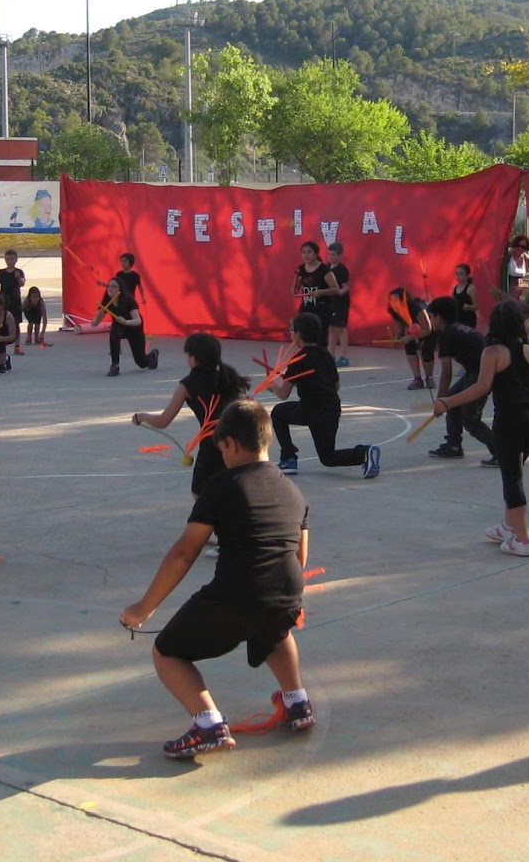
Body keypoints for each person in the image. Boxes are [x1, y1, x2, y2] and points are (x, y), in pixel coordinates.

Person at [119, 399, 316, 759]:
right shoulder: (292, 490)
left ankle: (207, 723)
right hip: (288, 593)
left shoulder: (223, 485)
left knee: (167, 652)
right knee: (274, 628)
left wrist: (144, 607)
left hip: (236, 595)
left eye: (221, 449)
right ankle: (297, 702)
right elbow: (300, 557)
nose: (222, 456)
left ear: (231, 444)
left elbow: (185, 552)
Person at [434, 299, 529, 557]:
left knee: (512, 479)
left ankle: (521, 539)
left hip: (510, 421)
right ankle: (508, 526)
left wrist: (447, 401)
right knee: (514, 470)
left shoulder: (492, 353)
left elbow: (481, 388)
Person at [133, 332, 251, 496]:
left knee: (200, 493)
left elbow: (163, 421)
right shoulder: (228, 377)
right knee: (234, 490)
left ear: (193, 359)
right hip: (240, 441)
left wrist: (141, 417)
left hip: (213, 443)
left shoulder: (187, 385)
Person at [269, 312, 379, 479]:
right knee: (328, 457)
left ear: (299, 333)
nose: (290, 333)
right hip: (332, 409)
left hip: (311, 410)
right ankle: (364, 453)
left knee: (278, 413)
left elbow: (284, 394)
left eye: (291, 330)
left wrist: (272, 386)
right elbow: (336, 385)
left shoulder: (298, 358)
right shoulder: (325, 354)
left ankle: (288, 458)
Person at [424, 296, 494, 461]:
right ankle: (453, 445)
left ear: (440, 318)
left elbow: (446, 373)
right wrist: (446, 401)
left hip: (480, 375)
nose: (430, 320)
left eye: (431, 316)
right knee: (452, 401)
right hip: (476, 372)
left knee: (470, 420)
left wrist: (440, 401)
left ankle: (502, 452)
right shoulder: (458, 328)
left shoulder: (446, 335)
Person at [102, 277, 157, 377]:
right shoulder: (107, 300)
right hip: (120, 327)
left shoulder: (128, 300)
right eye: (109, 286)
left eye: (114, 286)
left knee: (141, 362)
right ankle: (115, 365)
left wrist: (125, 322)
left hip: (134, 328)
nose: (110, 288)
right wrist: (96, 319)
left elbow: (138, 321)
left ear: (120, 289)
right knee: (114, 331)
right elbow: (96, 321)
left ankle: (152, 355)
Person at [385, 285, 434, 390]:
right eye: (391, 301)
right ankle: (417, 379)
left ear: (405, 299)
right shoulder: (395, 311)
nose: (393, 303)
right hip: (415, 329)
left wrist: (410, 337)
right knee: (409, 346)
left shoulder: (417, 308)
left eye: (396, 300)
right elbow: (400, 329)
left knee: (427, 350)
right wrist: (396, 339)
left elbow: (428, 329)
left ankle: (429, 378)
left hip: (431, 327)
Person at [291, 241, 339, 337]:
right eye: (303, 252)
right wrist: (294, 289)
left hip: (322, 309)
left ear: (316, 254)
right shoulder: (301, 269)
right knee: (304, 337)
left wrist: (321, 292)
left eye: (309, 252)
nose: (306, 255)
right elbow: (295, 288)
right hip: (306, 308)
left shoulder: (324, 269)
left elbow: (336, 289)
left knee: (319, 337)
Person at [0, 249, 26, 355]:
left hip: (15, 301)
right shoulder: (1, 272)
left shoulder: (19, 271)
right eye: (8, 259)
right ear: (5, 260)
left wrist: (18, 278)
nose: (10, 261)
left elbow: (22, 284)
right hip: (3, 301)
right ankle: (1, 342)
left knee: (16, 323)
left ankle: (17, 346)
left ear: (16, 259)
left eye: (12, 259)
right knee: (1, 322)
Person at [326, 241, 352, 367]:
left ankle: (344, 357)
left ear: (339, 255)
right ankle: (330, 355)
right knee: (331, 328)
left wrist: (338, 292)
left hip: (341, 303)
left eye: (333, 254)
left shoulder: (342, 270)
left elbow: (346, 287)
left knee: (341, 329)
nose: (330, 257)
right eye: (329, 254)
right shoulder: (326, 268)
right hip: (330, 302)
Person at [451, 263, 478, 329]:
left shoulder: (470, 288)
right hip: (457, 319)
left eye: (461, 274)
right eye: (456, 273)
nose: (458, 276)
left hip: (468, 320)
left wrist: (469, 307)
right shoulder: (453, 288)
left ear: (467, 275)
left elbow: (476, 306)